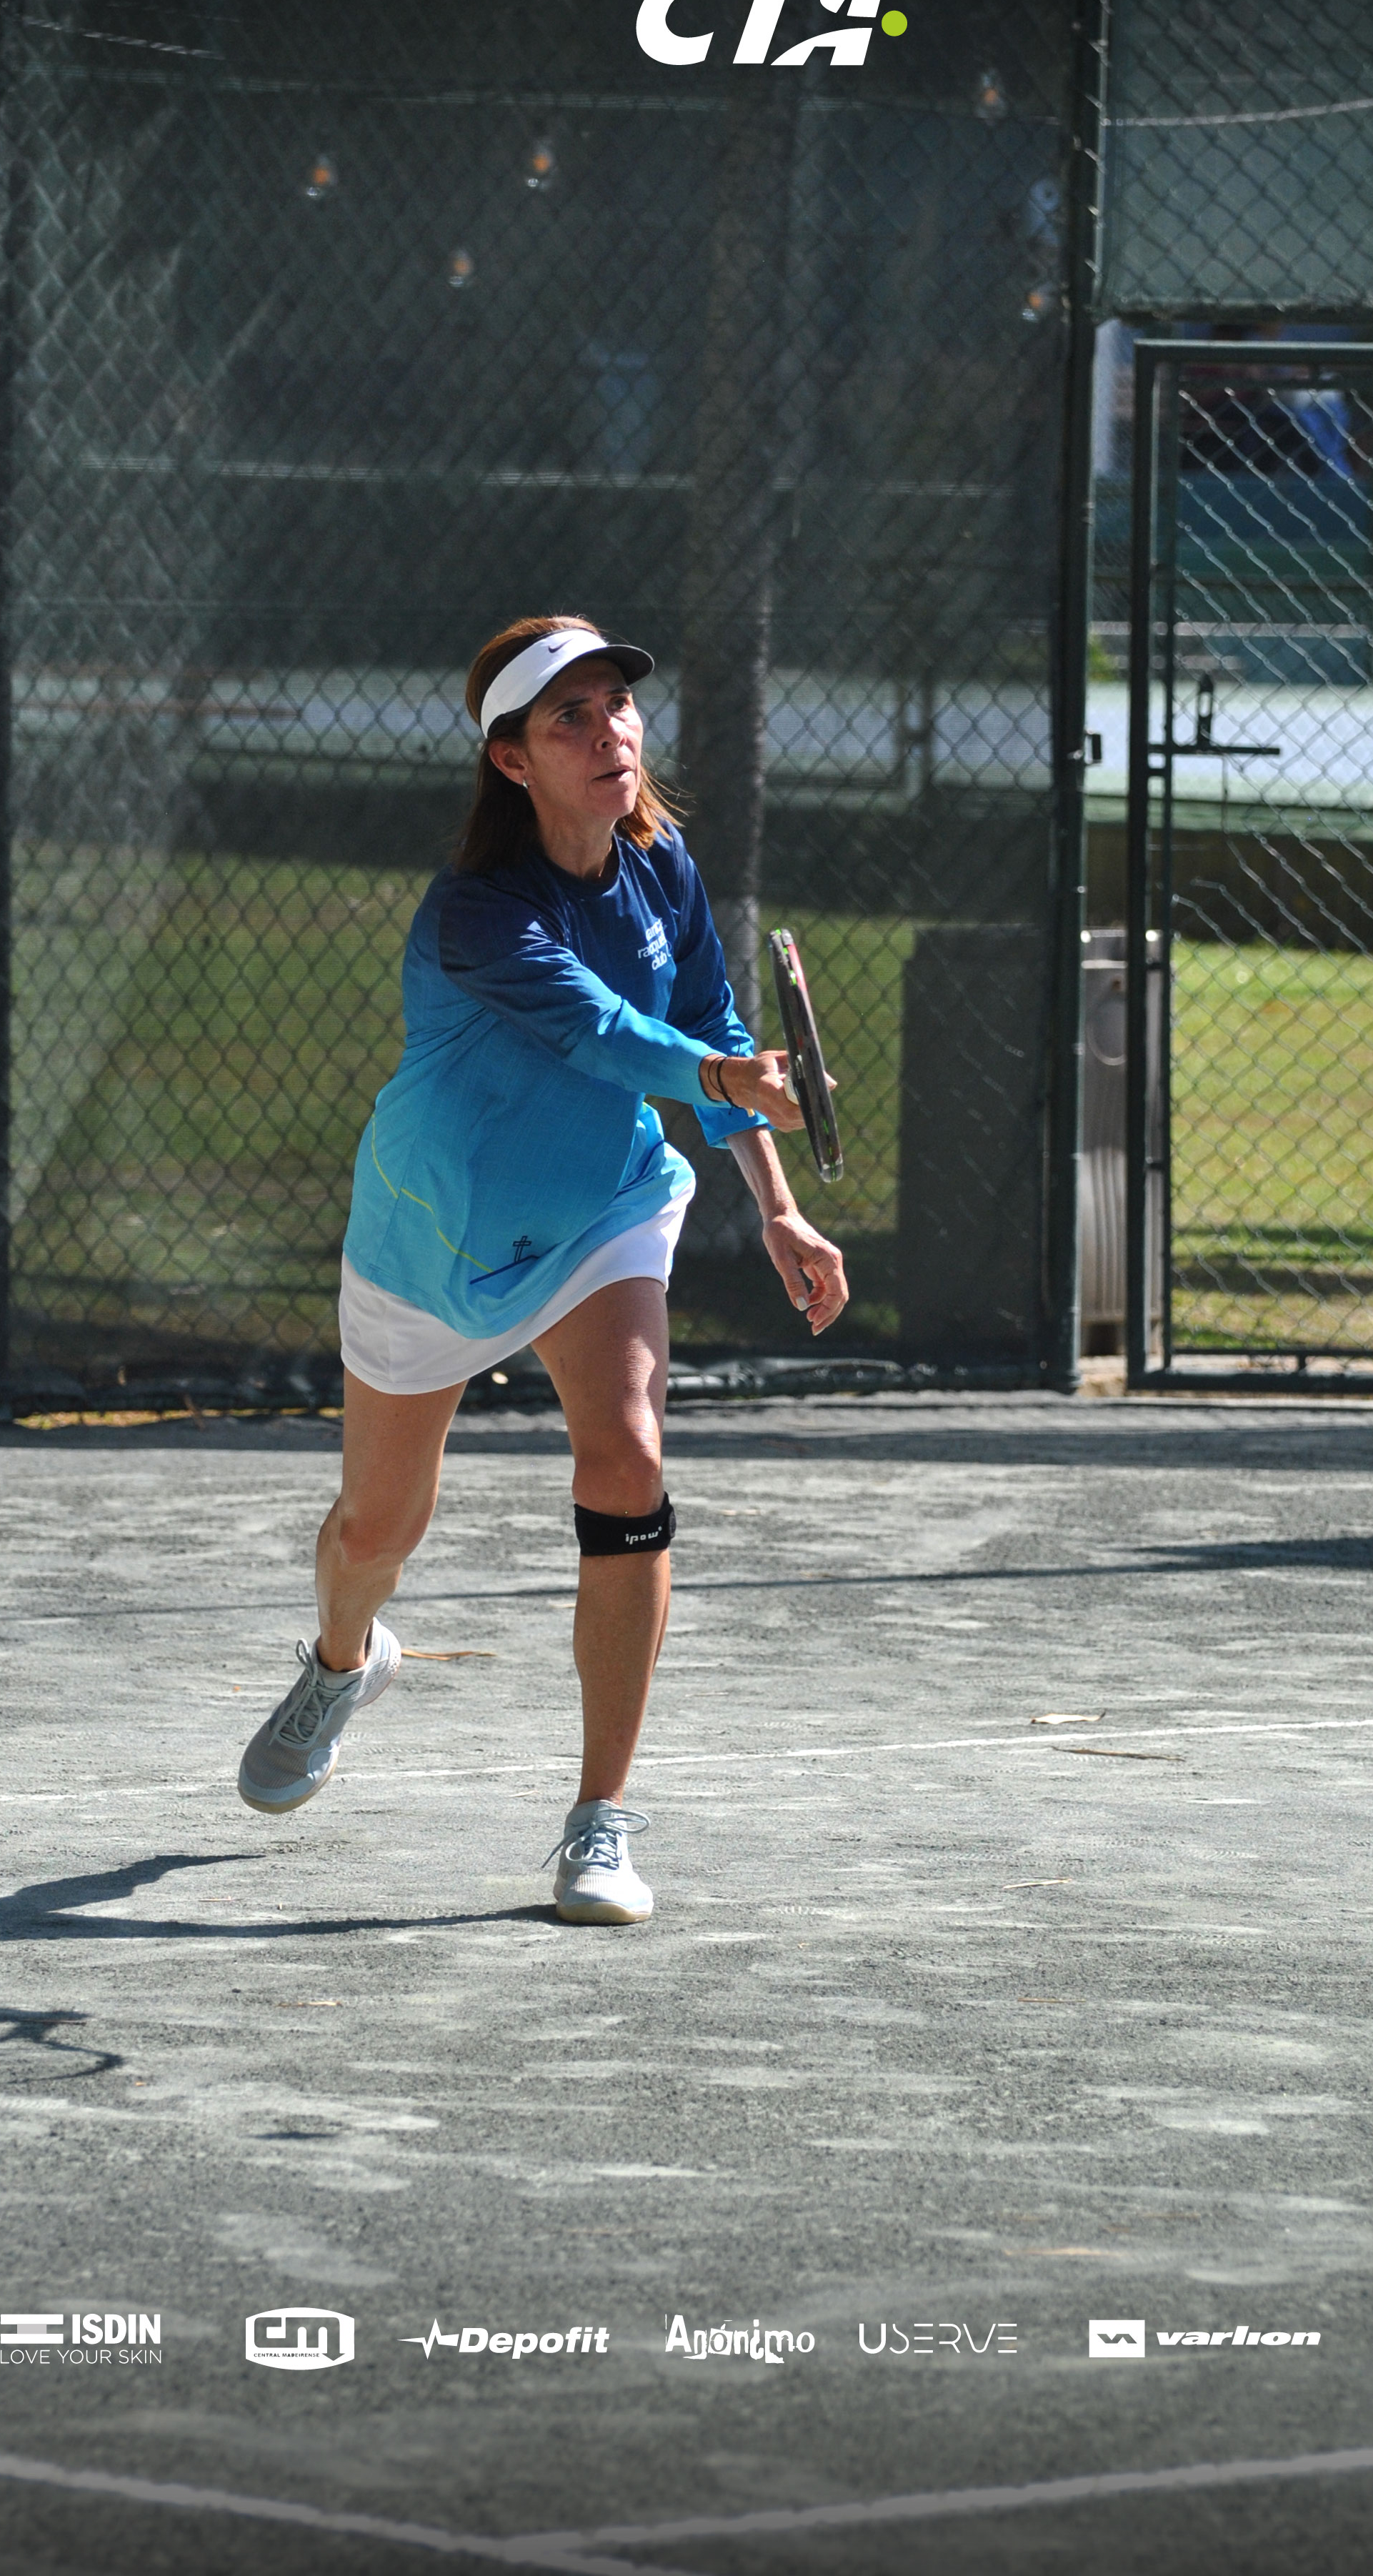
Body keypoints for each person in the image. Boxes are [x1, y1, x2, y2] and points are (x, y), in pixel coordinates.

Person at [236, 613, 847, 1923]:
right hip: (428, 1239)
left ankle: (600, 1821)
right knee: (373, 1532)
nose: (608, 730)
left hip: (600, 1213)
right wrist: (720, 1076)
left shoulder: (662, 860)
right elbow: (609, 1032)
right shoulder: (477, 913)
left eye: (616, 705)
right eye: (568, 718)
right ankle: (345, 1660)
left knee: (627, 1454)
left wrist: (779, 1207)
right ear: (512, 761)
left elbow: (705, 1025)